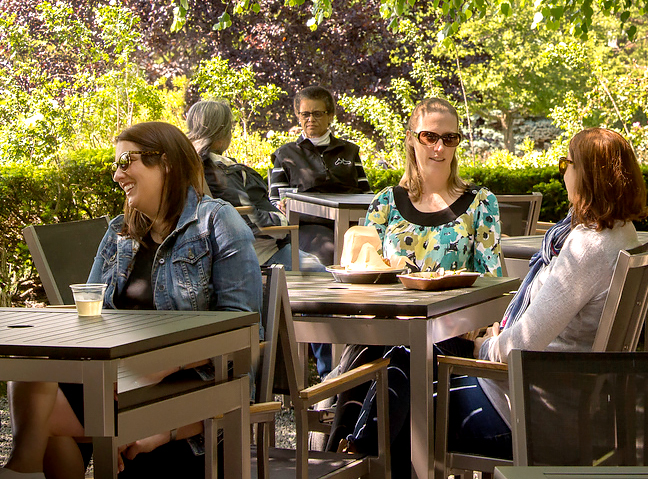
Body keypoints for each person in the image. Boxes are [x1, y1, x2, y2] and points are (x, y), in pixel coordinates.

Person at [0, 121, 261, 479]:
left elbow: (241, 333)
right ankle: (22, 470)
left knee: (45, 419)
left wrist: (156, 367)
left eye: (126, 162)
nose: (117, 175)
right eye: (115, 165)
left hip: (193, 387)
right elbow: (88, 319)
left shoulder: (216, 222)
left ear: (164, 162)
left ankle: (23, 470)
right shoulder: (119, 233)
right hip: (119, 378)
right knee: (33, 370)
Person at [323, 97, 504, 477]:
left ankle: (351, 455)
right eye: (429, 136)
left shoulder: (479, 203)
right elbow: (361, 271)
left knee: (403, 355)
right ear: (411, 139)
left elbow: (493, 281)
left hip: (445, 333)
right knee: (377, 354)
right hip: (381, 328)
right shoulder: (387, 202)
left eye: (450, 138)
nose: (439, 147)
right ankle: (351, 455)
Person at [445, 126, 648, 460]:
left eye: (567, 163)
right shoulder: (621, 232)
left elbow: (521, 347)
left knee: (405, 383)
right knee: (407, 359)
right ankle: (349, 441)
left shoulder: (587, 247)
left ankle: (351, 450)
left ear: (588, 176)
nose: (563, 171)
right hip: (561, 404)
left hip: (526, 415)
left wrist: (485, 346)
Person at [185, 100, 324, 272]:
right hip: (258, 255)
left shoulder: (191, 164)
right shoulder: (218, 171)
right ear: (220, 134)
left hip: (233, 251)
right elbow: (246, 218)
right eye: (230, 128)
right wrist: (282, 219)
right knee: (323, 273)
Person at [267, 85, 371, 267]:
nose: (310, 119)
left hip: (352, 225)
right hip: (309, 227)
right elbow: (275, 201)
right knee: (329, 251)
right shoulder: (286, 154)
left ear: (330, 116)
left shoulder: (348, 151)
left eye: (317, 114)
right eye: (304, 114)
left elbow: (367, 194)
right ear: (298, 116)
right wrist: (281, 205)